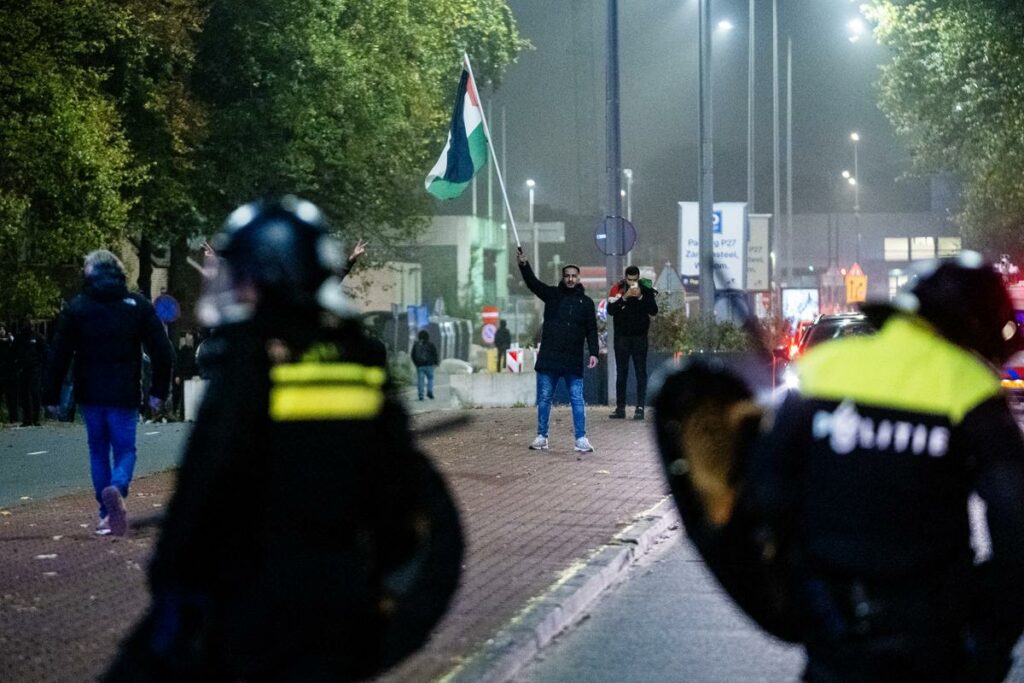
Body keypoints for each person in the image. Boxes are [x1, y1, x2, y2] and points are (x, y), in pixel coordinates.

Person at [104, 196, 462, 681]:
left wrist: (174, 580)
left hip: (256, 606)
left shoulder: (247, 362)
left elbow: (205, 484)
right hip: (342, 610)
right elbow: (404, 508)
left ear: (265, 274)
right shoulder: (356, 359)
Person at [656, 251, 1024, 682]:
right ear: (977, 329)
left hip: (831, 629)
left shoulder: (824, 369)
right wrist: (992, 638)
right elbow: (1015, 523)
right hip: (932, 635)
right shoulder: (971, 390)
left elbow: (765, 491)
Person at [43, 250, 172, 537]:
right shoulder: (136, 306)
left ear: (89, 274)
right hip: (125, 392)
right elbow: (163, 351)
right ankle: (119, 486)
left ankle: (104, 514)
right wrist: (158, 391)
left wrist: (50, 395)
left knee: (98, 450)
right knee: (125, 449)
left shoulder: (78, 307)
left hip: (90, 393)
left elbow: (59, 355)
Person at [517, 248, 599, 452]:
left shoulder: (586, 303)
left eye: (573, 276)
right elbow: (533, 284)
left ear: (578, 278)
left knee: (577, 400)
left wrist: (594, 352)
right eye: (567, 276)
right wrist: (523, 265)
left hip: (572, 359)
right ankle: (541, 436)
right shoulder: (552, 295)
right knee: (544, 398)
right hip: (550, 357)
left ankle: (581, 439)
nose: (570, 279)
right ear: (562, 278)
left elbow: (591, 329)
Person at [607, 265, 658, 420]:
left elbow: (653, 310)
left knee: (640, 372)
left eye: (635, 280)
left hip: (639, 338)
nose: (632, 283)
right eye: (630, 280)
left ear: (638, 278)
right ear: (626, 278)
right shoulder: (618, 289)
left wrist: (641, 296)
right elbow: (610, 310)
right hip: (622, 338)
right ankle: (620, 408)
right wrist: (625, 297)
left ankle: (640, 407)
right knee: (621, 373)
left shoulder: (646, 289)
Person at [13, 318, 47, 427]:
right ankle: (27, 419)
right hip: (22, 369)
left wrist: (41, 364)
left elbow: (45, 351)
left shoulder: (37, 337)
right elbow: (12, 352)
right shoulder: (19, 338)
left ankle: (36, 418)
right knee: (24, 394)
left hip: (35, 368)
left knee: (34, 392)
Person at [172, 332, 197, 420]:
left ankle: (183, 414)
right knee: (182, 395)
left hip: (189, 375)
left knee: (185, 395)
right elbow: (178, 363)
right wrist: (177, 375)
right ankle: (181, 414)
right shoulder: (184, 350)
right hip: (184, 375)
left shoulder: (192, 350)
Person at [411, 329, 439, 400]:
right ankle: (429, 391)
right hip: (429, 365)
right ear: (427, 336)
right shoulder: (431, 344)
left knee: (420, 380)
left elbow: (413, 355)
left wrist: (416, 363)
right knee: (430, 379)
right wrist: (436, 362)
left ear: (419, 336)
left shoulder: (416, 345)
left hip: (420, 366)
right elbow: (435, 354)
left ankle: (421, 395)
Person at [0, 324, 17, 424]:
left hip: (9, 373)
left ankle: (13, 418)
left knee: (11, 398)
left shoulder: (10, 341)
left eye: (2, 329)